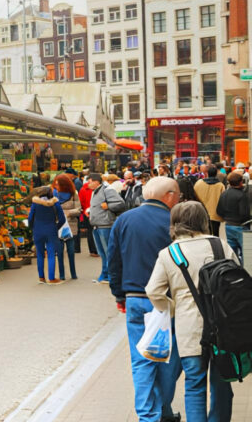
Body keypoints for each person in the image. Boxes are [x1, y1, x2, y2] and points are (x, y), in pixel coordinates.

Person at [146, 200, 237, 422]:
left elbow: (153, 291)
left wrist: (174, 309)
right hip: (223, 327)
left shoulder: (169, 253)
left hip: (190, 330)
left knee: (195, 385)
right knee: (222, 383)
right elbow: (237, 280)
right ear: (203, 220)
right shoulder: (220, 245)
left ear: (175, 223)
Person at [106, 176, 183, 422]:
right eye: (178, 195)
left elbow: (113, 261)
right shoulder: (174, 221)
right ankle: (159, 410)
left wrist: (119, 294)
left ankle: (149, 415)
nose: (179, 199)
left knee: (142, 360)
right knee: (168, 360)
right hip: (166, 303)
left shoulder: (124, 220)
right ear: (169, 196)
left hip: (135, 300)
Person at [87, 173, 126, 284]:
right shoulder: (96, 192)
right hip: (97, 225)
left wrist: (108, 206)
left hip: (105, 225)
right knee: (102, 253)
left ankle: (111, 276)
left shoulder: (107, 190)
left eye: (89, 181)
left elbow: (120, 203)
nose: (88, 184)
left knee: (108, 252)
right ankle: (104, 275)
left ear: (96, 181)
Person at [28, 183, 66, 285]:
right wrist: (55, 227)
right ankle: (52, 278)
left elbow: (30, 218)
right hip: (51, 231)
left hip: (38, 231)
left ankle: (41, 278)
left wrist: (33, 228)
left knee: (40, 254)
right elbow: (62, 219)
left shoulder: (35, 203)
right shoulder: (55, 203)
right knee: (51, 255)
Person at [217, 170, 251, 262]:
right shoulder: (241, 195)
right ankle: (245, 272)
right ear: (240, 182)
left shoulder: (224, 194)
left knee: (232, 252)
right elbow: (244, 213)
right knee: (246, 252)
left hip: (228, 225)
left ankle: (234, 271)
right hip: (241, 226)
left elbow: (219, 210)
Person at [51, 175, 80, 281]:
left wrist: (68, 213)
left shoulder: (73, 194)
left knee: (71, 251)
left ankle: (73, 273)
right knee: (59, 252)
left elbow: (78, 209)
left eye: (58, 184)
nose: (56, 186)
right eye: (55, 183)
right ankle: (62, 274)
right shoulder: (53, 194)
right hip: (57, 226)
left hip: (71, 226)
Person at [195, 166, 226, 236]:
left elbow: (194, 196)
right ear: (216, 174)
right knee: (215, 234)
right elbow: (223, 199)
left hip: (201, 212)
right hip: (215, 214)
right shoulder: (220, 185)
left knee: (202, 234)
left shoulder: (199, 183)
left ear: (207, 173)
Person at [77, 171, 98, 257]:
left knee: (90, 232)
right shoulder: (95, 189)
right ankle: (95, 250)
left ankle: (93, 251)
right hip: (92, 212)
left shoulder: (83, 190)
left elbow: (80, 203)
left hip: (87, 213)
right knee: (94, 232)